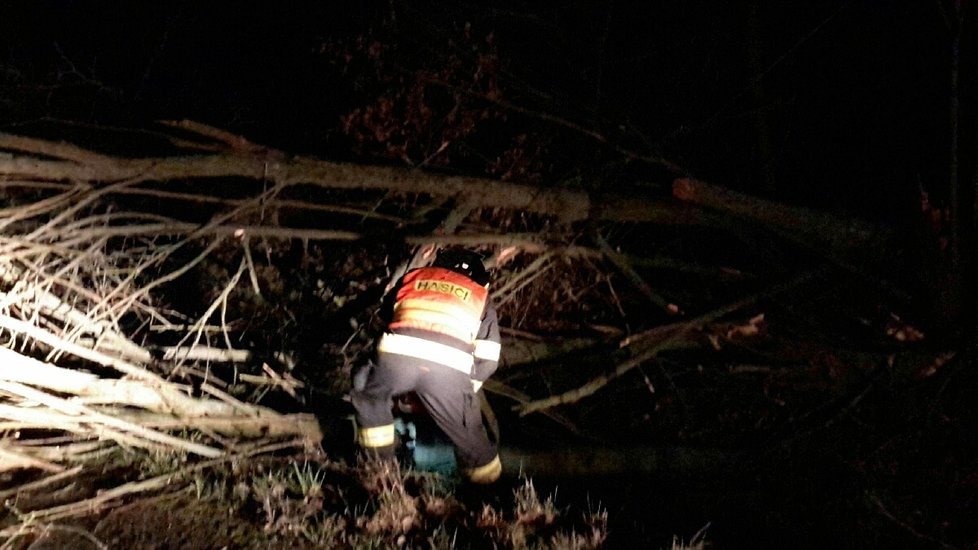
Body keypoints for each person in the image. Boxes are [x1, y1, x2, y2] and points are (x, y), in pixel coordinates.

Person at [351, 248, 502, 484]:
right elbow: (489, 359)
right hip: (449, 368)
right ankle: (488, 493)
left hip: (396, 356)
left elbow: (389, 317)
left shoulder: (414, 277)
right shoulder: (479, 296)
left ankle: (379, 475)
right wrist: (463, 392)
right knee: (470, 435)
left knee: (367, 391)